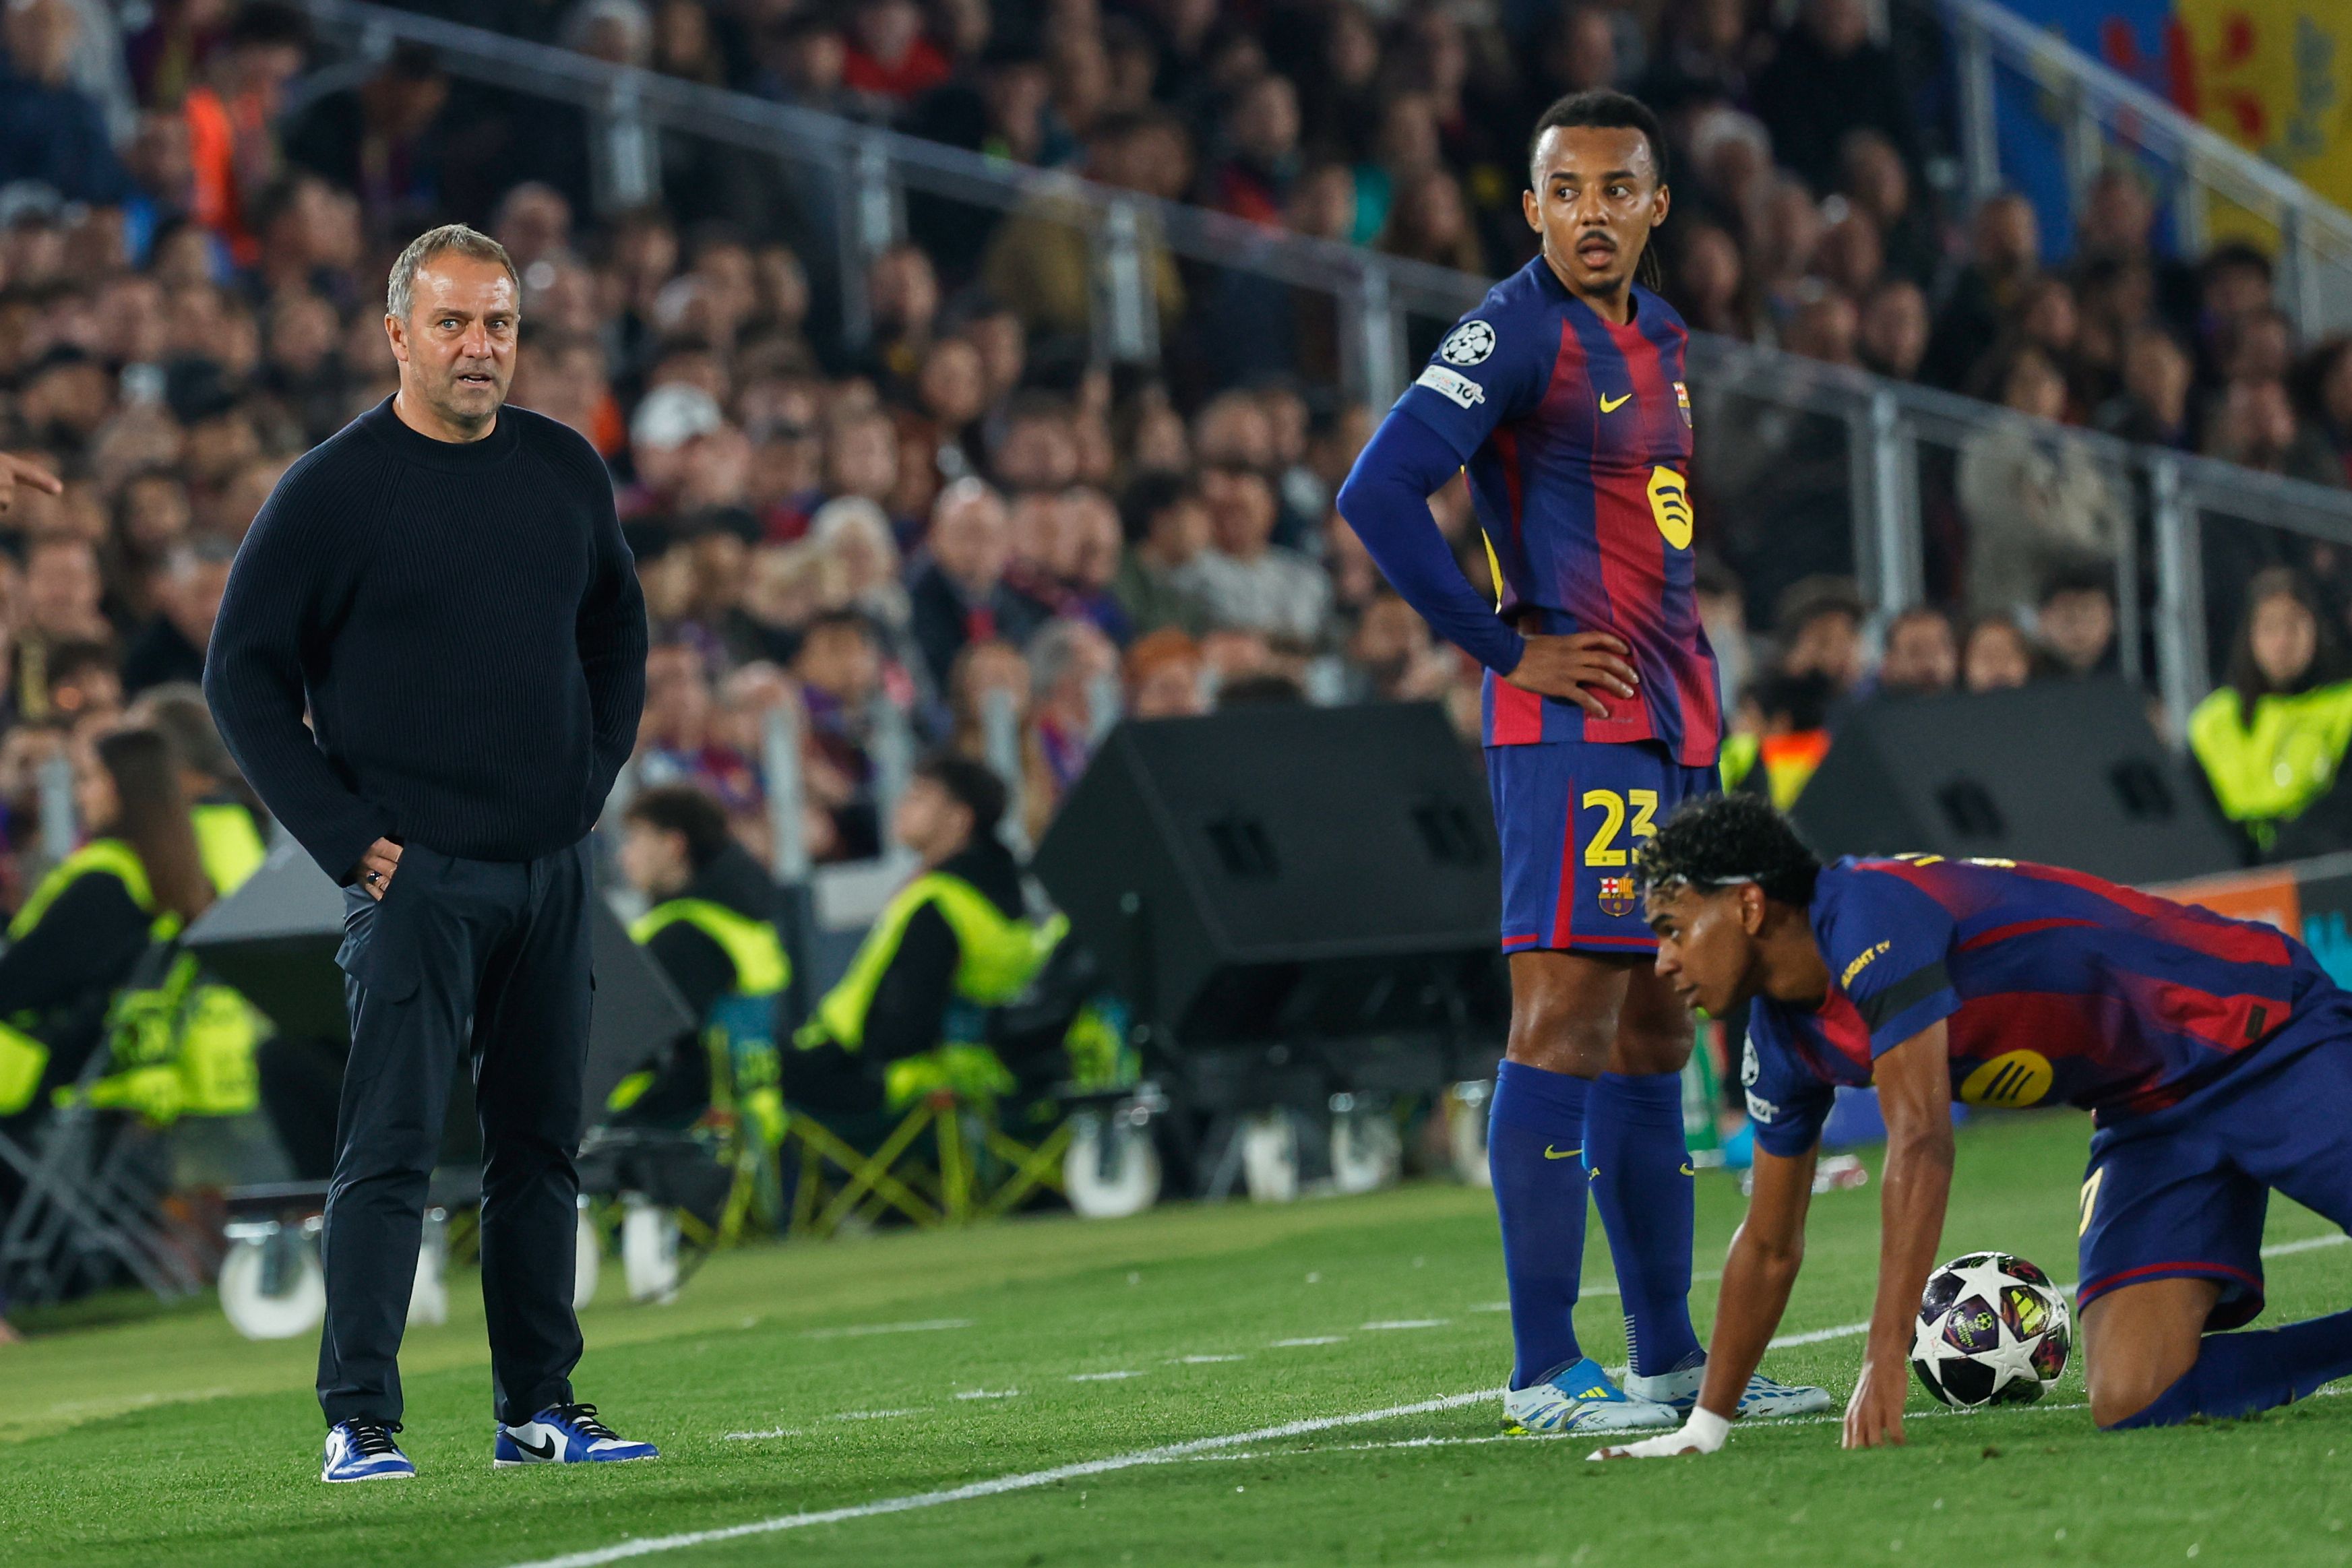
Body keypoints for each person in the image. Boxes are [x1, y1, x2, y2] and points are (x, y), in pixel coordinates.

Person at [1336, 88, 1826, 1435]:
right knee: (1561, 1016)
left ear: (1656, 205)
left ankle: (1668, 1360)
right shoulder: (1511, 329)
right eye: (1566, 190)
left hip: (1671, 722)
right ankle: (1543, 1366)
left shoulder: (1659, 333)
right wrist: (1505, 647)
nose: (1590, 212)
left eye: (1616, 188)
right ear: (1532, 208)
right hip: (1573, 727)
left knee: (1658, 1028)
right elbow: (1377, 489)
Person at [203, 224, 654, 1483]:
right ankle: (358, 1418)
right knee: (390, 1152)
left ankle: (538, 1407)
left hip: (549, 867)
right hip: (415, 878)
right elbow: (239, 676)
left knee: (541, 1148)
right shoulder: (332, 489)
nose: (479, 346)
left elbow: (618, 627)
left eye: (499, 322)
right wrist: (347, 838)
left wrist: (588, 776)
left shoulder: (564, 466)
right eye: (452, 322)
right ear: (397, 334)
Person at [1600, 792, 2352, 1459]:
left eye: (1673, 928)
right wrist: (1705, 1426)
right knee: (2134, 1394)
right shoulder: (1780, 1042)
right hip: (2146, 1111)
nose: (1662, 961)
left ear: (1748, 906)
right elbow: (1768, 1242)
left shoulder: (1868, 913)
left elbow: (1922, 1141)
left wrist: (1884, 1356)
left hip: (2257, 1027)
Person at [792, 755, 1065, 1116]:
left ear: (958, 819)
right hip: (995, 1076)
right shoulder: (1010, 890)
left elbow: (906, 1030)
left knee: (770, 1078)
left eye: (919, 797)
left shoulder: (939, 903)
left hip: (910, 1085)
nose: (902, 806)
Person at [0, 727, 212, 1131]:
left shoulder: (102, 885)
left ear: (123, 790)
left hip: (35, 1079)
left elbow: (15, 986)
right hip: (114, 1073)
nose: (80, 795)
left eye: (90, 779)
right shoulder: (168, 880)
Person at [610, 785, 788, 1151]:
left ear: (673, 845)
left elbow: (637, 1046)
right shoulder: (738, 918)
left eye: (636, 839)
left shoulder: (683, 935)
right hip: (757, 1117)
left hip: (683, 1133)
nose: (624, 855)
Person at [2188, 569, 2352, 859]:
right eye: (2269, 627)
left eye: (2294, 625)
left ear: (2317, 628)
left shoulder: (2344, 707)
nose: (2282, 641)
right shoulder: (2213, 720)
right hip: (2234, 873)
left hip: (2319, 870)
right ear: (2249, 635)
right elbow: (2196, 814)